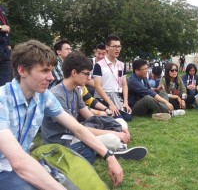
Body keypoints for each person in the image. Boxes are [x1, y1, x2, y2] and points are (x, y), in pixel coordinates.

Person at [0, 40, 123, 189]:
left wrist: (108, 156)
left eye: (51, 71)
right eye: (45, 71)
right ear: (22, 71)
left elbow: (77, 128)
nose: (51, 77)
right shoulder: (2, 101)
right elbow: (18, 162)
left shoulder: (43, 96)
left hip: (23, 161)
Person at [41, 52, 146, 160]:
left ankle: (114, 147)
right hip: (61, 141)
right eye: (86, 74)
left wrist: (117, 126)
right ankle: (115, 149)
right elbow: (76, 129)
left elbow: (91, 117)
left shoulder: (75, 91)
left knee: (121, 122)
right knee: (112, 139)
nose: (88, 78)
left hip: (75, 133)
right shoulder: (57, 95)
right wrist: (113, 132)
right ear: (74, 73)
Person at [93, 35, 132, 121]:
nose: (117, 49)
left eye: (119, 46)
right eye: (114, 46)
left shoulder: (121, 65)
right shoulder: (99, 65)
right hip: (103, 97)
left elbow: (124, 84)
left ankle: (118, 108)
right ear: (107, 47)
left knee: (128, 117)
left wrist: (125, 102)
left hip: (117, 95)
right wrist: (110, 103)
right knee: (118, 117)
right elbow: (98, 87)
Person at [0, 0, 12, 86]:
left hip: (4, 53)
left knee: (6, 87)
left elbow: (6, 30)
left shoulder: (2, 8)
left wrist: (9, 46)